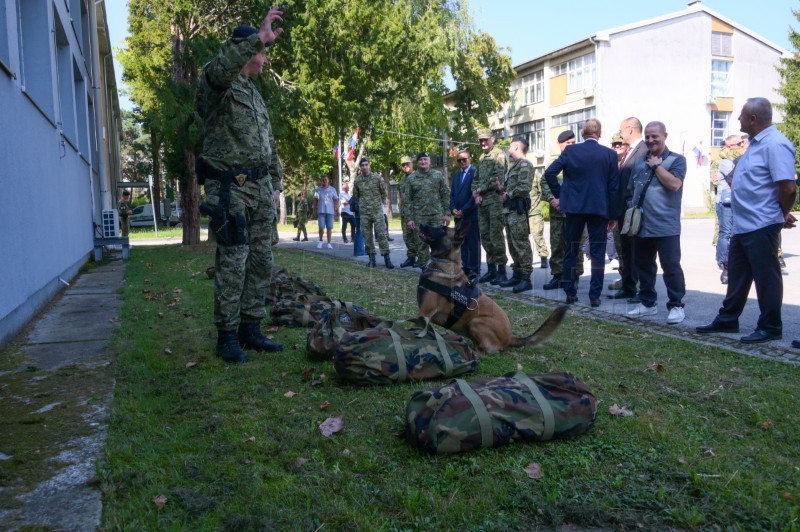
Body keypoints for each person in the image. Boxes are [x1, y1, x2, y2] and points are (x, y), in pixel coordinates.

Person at [195, 9, 285, 362]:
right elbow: (220, 69)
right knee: (233, 261)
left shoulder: (252, 93)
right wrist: (257, 37)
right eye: (261, 52)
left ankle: (250, 327)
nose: (264, 59)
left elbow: (268, 144)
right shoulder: (217, 84)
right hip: (230, 190)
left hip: (261, 190)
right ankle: (227, 336)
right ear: (246, 51)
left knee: (262, 260)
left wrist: (276, 184)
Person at [697, 98, 797, 344]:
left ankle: (771, 326)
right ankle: (728, 318)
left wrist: (780, 214)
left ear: (753, 118)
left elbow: (788, 186)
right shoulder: (755, 143)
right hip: (745, 224)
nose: (739, 119)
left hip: (761, 223)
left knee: (766, 276)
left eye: (741, 115)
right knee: (738, 274)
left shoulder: (775, 144)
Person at [543, 119, 619, 307]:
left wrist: (561, 196)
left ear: (582, 133)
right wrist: (613, 215)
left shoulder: (570, 151)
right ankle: (594, 295)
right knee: (598, 252)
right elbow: (614, 187)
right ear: (600, 134)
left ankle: (570, 292)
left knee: (571, 249)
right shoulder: (609, 154)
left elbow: (549, 173)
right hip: (599, 210)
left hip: (574, 209)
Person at [624, 121, 688, 324]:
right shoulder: (639, 162)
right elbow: (632, 189)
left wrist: (657, 166)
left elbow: (674, 185)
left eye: (655, 136)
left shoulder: (678, 160)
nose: (650, 140)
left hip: (665, 225)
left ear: (665, 136)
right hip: (641, 225)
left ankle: (676, 306)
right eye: (648, 136)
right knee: (643, 266)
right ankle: (648, 303)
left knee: (670, 266)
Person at [608, 117, 647, 301]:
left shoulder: (642, 151)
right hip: (624, 211)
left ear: (630, 129)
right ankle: (629, 287)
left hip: (633, 210)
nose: (621, 134)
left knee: (637, 251)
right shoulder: (630, 152)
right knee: (627, 251)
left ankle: (640, 289)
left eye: (622, 130)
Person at [541, 130, 584, 290]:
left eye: (573, 143)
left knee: (575, 246)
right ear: (560, 145)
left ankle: (574, 276)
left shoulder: (581, 161)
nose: (571, 146)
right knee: (557, 245)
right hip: (557, 213)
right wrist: (553, 199)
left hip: (575, 213)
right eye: (568, 143)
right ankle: (558, 276)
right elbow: (544, 182)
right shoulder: (554, 162)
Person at [498, 137, 535, 293]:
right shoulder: (513, 167)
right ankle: (517, 274)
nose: (508, 148)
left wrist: (508, 194)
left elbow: (524, 187)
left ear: (516, 147)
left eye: (510, 146)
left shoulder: (525, 165)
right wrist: (502, 189)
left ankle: (526, 279)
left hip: (518, 211)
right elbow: (509, 188)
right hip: (509, 211)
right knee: (512, 245)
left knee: (521, 244)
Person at [472, 128, 508, 284]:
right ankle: (491, 270)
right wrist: (476, 193)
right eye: (480, 140)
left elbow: (497, 179)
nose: (483, 142)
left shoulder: (498, 155)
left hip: (494, 202)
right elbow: (475, 178)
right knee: (485, 237)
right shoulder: (481, 157)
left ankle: (502, 271)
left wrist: (480, 190)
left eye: (485, 139)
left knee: (496, 236)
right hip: (483, 204)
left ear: (492, 139)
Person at [405, 152, 451, 268]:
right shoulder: (411, 178)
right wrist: (409, 219)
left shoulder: (438, 175)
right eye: (420, 160)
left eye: (425, 159)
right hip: (420, 217)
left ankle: (439, 269)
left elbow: (445, 194)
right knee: (422, 245)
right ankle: (425, 270)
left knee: (439, 243)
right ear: (417, 162)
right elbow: (407, 200)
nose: (423, 162)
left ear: (429, 161)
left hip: (436, 216)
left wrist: (447, 213)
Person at [353, 158, 394, 268]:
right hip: (364, 213)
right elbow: (356, 195)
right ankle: (372, 259)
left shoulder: (377, 178)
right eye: (362, 165)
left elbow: (383, 193)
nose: (364, 167)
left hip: (377, 212)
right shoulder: (357, 180)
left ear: (369, 166)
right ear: (360, 167)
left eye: (366, 165)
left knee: (381, 235)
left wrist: (381, 204)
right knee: (367, 237)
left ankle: (387, 259)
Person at [715, 135, 745, 283]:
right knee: (725, 232)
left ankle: (727, 261)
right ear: (730, 146)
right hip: (725, 200)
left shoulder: (739, 157)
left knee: (732, 232)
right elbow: (733, 179)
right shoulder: (726, 160)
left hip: (734, 200)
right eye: (738, 143)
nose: (741, 145)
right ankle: (722, 262)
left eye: (742, 143)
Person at [450, 149, 480, 280]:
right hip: (458, 216)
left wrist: (464, 210)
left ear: (470, 159)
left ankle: (474, 268)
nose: (462, 162)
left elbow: (474, 196)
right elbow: (452, 195)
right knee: (462, 243)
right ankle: (466, 267)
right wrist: (453, 209)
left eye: (464, 159)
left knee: (473, 243)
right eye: (459, 160)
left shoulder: (474, 173)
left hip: (471, 214)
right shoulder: (456, 176)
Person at [398, 155, 419, 268]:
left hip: (415, 213)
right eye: (403, 165)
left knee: (418, 236)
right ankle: (411, 257)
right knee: (407, 237)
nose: (405, 166)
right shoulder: (402, 180)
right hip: (405, 213)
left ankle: (422, 258)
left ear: (412, 164)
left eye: (407, 164)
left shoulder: (417, 177)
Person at [313, 175, 339, 249]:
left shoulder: (332, 189)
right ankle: (321, 241)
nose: (324, 181)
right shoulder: (318, 189)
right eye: (323, 180)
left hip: (330, 211)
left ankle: (329, 243)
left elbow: (336, 200)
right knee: (321, 227)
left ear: (328, 181)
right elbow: (315, 200)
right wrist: (314, 209)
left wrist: (337, 209)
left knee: (329, 228)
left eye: (325, 180)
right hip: (321, 211)